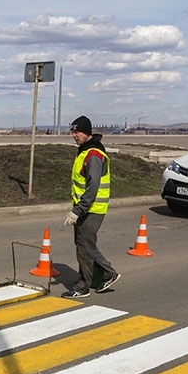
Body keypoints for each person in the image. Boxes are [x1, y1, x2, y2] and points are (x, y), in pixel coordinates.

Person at [61, 115, 120, 299]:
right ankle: (97, 277)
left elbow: (93, 186)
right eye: (72, 131)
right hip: (87, 208)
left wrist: (77, 210)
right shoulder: (85, 151)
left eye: (76, 131)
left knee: (85, 245)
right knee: (83, 245)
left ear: (86, 132)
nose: (73, 135)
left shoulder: (93, 154)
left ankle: (86, 285)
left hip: (91, 209)